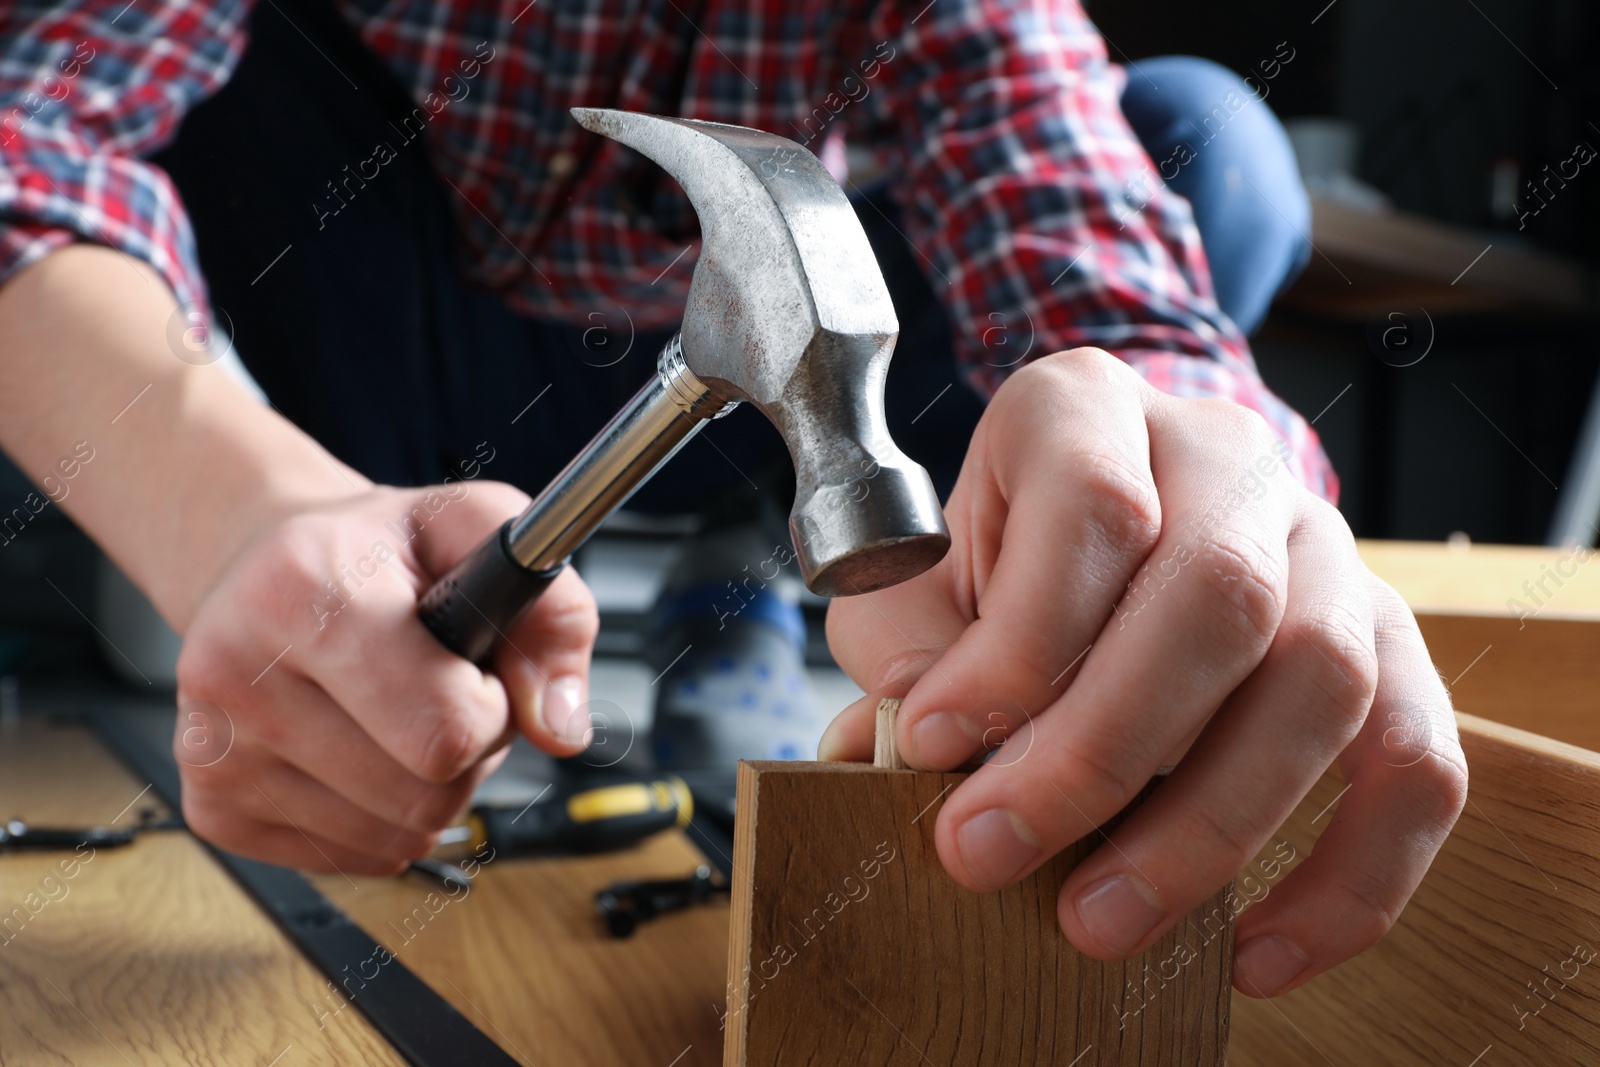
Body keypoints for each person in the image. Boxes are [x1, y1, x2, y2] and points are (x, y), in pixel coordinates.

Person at [0, 0, 1464, 1002]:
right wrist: (230, 509)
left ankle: (774, 567)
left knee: (1210, 143)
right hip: (359, 346)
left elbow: (1087, 232)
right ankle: (251, 519)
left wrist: (1211, 471)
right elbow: (28, 133)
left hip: (732, 374)